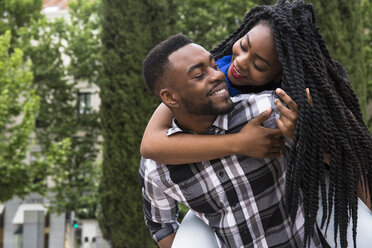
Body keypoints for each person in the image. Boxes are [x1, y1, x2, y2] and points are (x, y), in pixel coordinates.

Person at [140, 1, 372, 247]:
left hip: (309, 195)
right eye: (243, 47)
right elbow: (151, 145)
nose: (236, 64)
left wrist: (302, 134)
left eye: (259, 65)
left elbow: (352, 152)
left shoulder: (277, 106)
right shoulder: (220, 68)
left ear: (280, 75)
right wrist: (239, 142)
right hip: (218, 219)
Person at [139, 34, 326, 248]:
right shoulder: (156, 166)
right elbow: (161, 226)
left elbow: (332, 162)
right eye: (199, 75)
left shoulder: (267, 112)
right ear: (170, 98)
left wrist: (304, 129)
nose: (218, 75)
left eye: (214, 65)